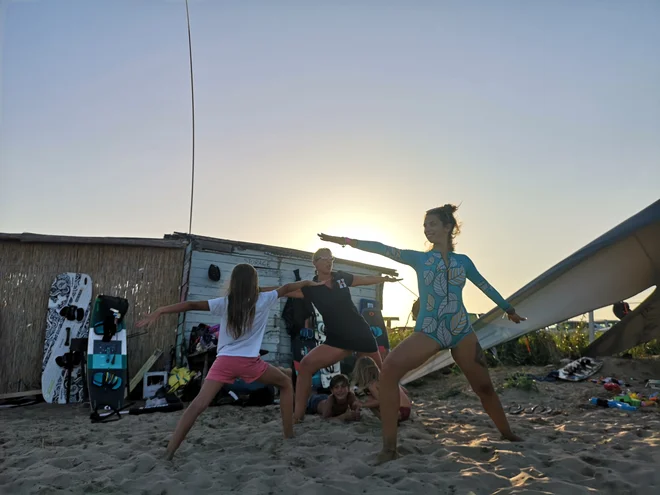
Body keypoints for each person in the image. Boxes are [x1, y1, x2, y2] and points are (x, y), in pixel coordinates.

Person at [318, 204, 526, 463]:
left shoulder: (464, 262)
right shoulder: (420, 259)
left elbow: (484, 285)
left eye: (432, 224)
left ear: (448, 227)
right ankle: (389, 449)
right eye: (425, 225)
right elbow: (383, 249)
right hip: (430, 330)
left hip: (461, 330)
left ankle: (507, 434)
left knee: (484, 387)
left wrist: (509, 309)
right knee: (391, 368)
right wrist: (347, 241)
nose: (427, 229)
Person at [135, 263, 323, 459]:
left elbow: (191, 305)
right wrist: (308, 282)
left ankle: (169, 451)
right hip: (250, 363)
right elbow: (286, 288)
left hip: (223, 362)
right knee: (285, 383)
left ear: (233, 282)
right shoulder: (264, 300)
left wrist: (161, 310)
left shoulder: (225, 303)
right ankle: (288, 435)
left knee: (197, 405)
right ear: (254, 282)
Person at [271, 248, 401, 422]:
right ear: (315, 263)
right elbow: (283, 291)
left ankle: (397, 410)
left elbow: (364, 280)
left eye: (330, 258)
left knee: (381, 375)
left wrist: (384, 278)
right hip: (337, 339)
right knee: (305, 366)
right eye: (323, 258)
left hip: (360, 334)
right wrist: (257, 289)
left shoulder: (341, 277)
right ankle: (298, 415)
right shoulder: (310, 288)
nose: (328, 261)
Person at [351, 356, 412, 423]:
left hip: (399, 413)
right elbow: (405, 391)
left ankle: (385, 421)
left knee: (370, 400)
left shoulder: (372, 385)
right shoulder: (386, 378)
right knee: (375, 398)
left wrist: (362, 404)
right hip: (407, 410)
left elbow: (380, 401)